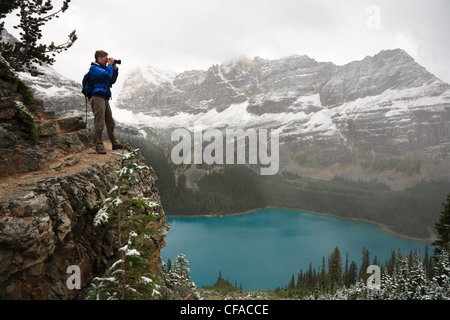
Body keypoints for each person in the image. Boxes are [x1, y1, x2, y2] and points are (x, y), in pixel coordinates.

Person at [89, 50, 123, 154]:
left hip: (104, 97)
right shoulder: (94, 68)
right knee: (99, 122)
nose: (108, 60)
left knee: (110, 122)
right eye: (106, 58)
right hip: (97, 97)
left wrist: (115, 68)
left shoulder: (104, 69)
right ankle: (99, 145)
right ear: (99, 58)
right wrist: (110, 65)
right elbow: (106, 76)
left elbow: (112, 80)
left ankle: (115, 143)